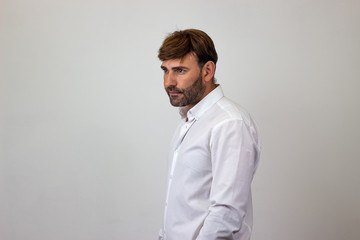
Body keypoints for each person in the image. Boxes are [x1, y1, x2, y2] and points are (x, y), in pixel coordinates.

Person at [158, 29, 261, 240]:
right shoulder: (189, 121)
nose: (169, 82)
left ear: (207, 70)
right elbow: (181, 205)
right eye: (165, 70)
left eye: (179, 70)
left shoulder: (230, 123)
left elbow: (227, 213)